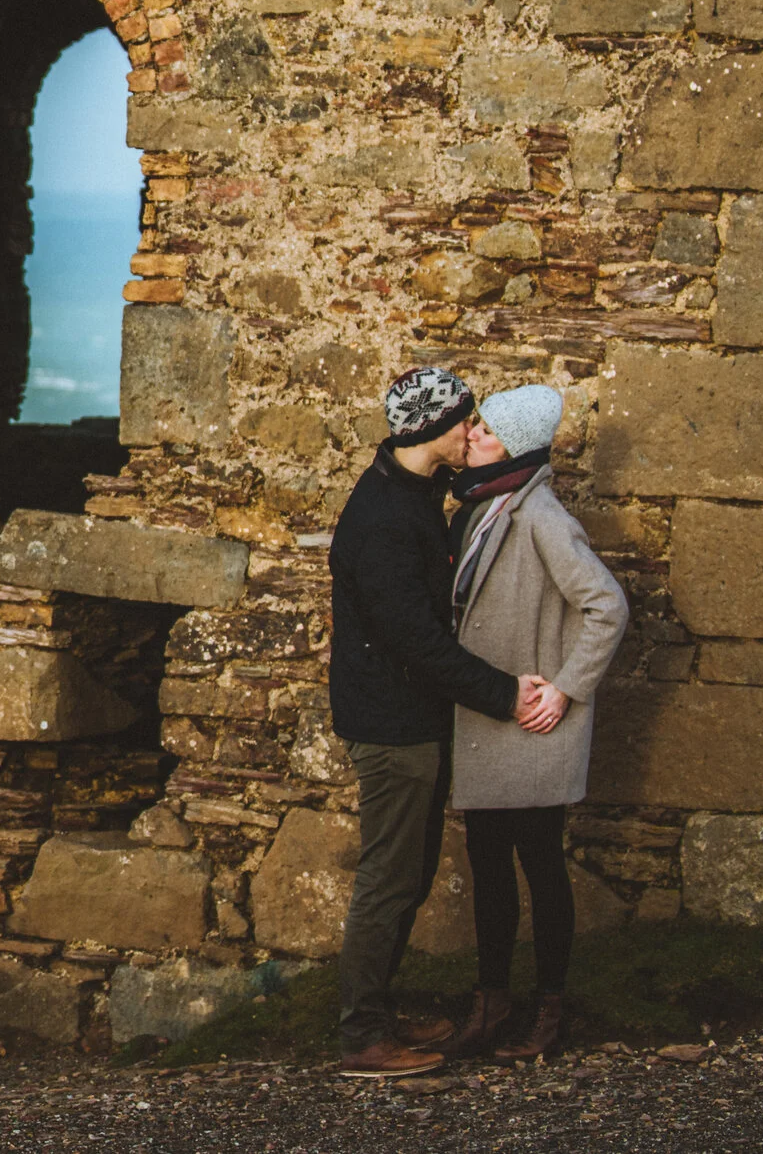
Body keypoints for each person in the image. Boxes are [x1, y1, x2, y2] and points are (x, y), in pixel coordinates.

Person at [328, 366, 551, 1079]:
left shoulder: (417, 495)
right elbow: (417, 642)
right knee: (390, 879)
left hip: (412, 719)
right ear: (431, 428)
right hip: (392, 727)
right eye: (464, 418)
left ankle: (379, 1012)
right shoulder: (386, 520)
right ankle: (362, 1035)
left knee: (409, 874)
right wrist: (506, 694)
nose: (472, 430)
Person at [442, 385, 629, 1060]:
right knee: (488, 865)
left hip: (532, 727)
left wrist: (569, 689)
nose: (472, 437)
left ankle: (550, 1011)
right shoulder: (483, 505)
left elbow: (606, 603)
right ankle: (492, 1004)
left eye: (486, 429)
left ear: (515, 444)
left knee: (540, 865)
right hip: (493, 719)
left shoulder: (539, 512)